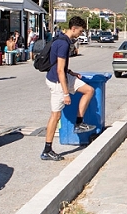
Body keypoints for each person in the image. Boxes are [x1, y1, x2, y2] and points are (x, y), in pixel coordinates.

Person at [41, 16, 95, 161]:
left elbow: (61, 67)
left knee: (89, 90)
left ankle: (79, 123)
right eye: (80, 31)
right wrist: (66, 93)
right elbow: (59, 70)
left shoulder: (62, 39)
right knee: (55, 116)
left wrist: (71, 73)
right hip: (57, 82)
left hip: (64, 76)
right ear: (73, 28)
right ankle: (47, 150)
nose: (80, 34)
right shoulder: (63, 44)